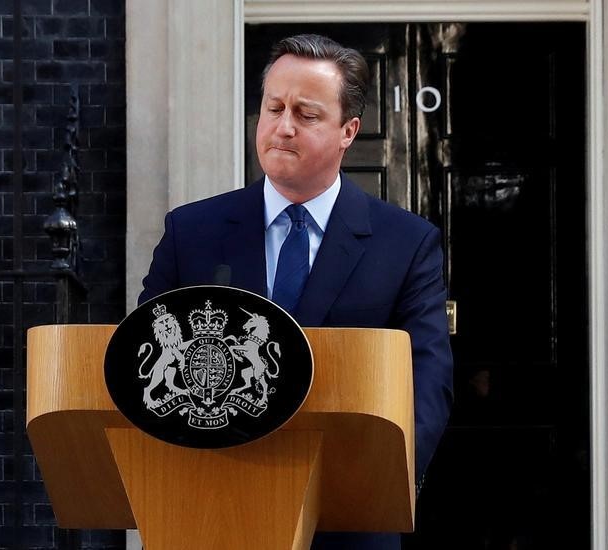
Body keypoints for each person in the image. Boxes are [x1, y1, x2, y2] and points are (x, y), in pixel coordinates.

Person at [139, 33, 453, 550]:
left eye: (305, 115)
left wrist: (373, 488)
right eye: (273, 108)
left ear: (348, 130)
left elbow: (427, 385)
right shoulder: (191, 231)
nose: (282, 128)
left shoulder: (407, 243)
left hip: (347, 525)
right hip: (209, 511)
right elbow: (146, 361)